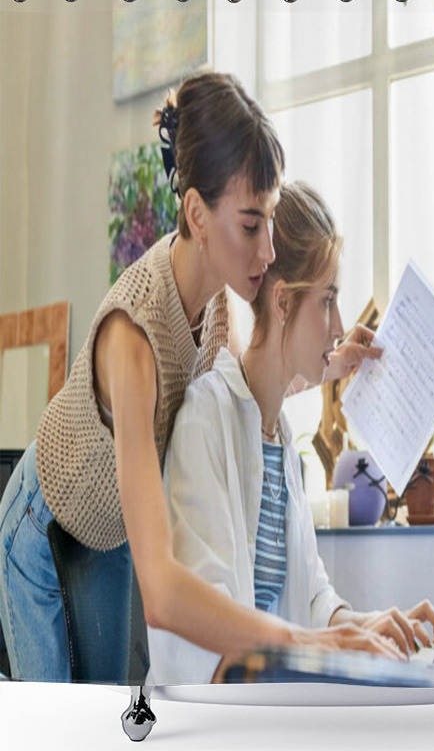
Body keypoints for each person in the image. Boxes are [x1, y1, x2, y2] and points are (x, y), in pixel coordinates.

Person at [0, 72, 393, 683]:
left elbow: (255, 386)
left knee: (106, 715)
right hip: (40, 527)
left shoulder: (216, 305)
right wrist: (311, 643)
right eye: (250, 225)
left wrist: (331, 365)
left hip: (107, 533)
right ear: (196, 213)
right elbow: (162, 591)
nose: (267, 251)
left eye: (268, 220)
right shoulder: (132, 341)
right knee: (60, 724)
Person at [148, 181, 434, 684]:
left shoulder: (280, 436)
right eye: (327, 300)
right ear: (282, 302)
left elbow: (311, 601)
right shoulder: (206, 419)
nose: (339, 325)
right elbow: (207, 643)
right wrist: (336, 645)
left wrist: (369, 626)